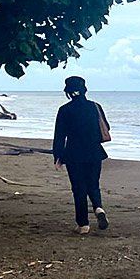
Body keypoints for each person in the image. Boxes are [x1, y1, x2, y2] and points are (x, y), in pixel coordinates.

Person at [52, 76, 110, 234]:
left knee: (78, 188)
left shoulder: (64, 110)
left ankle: (83, 224)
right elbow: (106, 128)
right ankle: (98, 208)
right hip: (94, 152)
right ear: (85, 89)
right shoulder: (95, 106)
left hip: (74, 154)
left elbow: (59, 136)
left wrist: (58, 157)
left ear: (68, 91)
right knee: (93, 184)